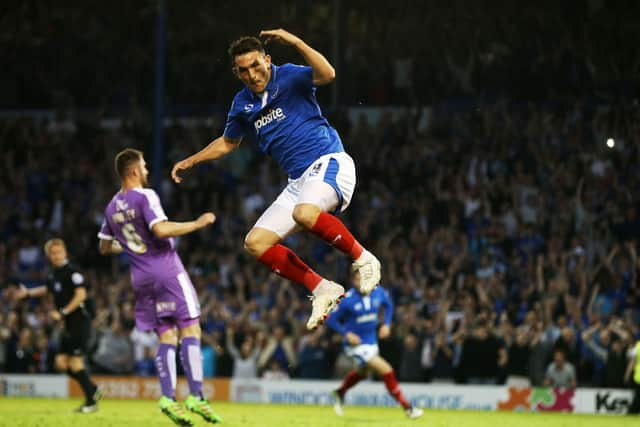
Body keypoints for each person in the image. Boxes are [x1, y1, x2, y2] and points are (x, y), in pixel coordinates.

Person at [171, 29, 381, 331]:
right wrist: (191, 160)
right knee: (256, 243)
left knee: (304, 213)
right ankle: (322, 288)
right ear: (236, 72)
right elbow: (229, 143)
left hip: (328, 161)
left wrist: (295, 42)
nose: (252, 74)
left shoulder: (290, 76)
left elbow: (328, 74)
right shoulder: (242, 103)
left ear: (267, 60)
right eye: (243, 70)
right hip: (299, 181)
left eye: (256, 65)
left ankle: (364, 258)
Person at [98, 148, 221, 426]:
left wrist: (131, 247)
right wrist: (197, 223)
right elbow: (161, 230)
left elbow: (104, 247)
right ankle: (197, 396)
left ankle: (167, 397)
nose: (147, 170)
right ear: (132, 171)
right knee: (191, 328)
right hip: (166, 271)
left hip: (141, 279)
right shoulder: (145, 196)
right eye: (143, 166)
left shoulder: (111, 206)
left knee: (167, 336)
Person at [12, 238, 102, 413]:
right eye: (53, 253)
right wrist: (28, 293)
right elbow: (47, 288)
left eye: (59, 252)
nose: (56, 255)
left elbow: (81, 295)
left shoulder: (73, 271)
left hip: (79, 322)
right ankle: (93, 389)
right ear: (48, 255)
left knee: (75, 362)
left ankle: (91, 402)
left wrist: (63, 312)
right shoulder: (54, 274)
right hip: (67, 325)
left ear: (65, 252)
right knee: (60, 363)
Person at [325, 270, 423, 419]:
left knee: (363, 373)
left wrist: (387, 324)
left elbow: (389, 305)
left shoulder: (378, 292)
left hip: (371, 341)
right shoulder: (347, 299)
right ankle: (408, 408)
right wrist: (346, 333)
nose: (360, 283)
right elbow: (330, 319)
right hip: (355, 345)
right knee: (386, 369)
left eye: (362, 279)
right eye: (357, 280)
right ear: (352, 280)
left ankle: (340, 392)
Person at [626, 339, 640, 414]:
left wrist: (627, 374)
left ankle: (632, 412)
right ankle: (632, 412)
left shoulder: (638, 345)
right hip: (638, 377)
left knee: (637, 398)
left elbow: (629, 356)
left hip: (638, 376)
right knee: (637, 398)